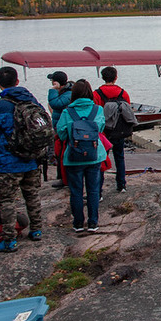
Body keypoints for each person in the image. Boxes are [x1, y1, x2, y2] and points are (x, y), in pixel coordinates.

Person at [0, 66, 44, 253]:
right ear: (18, 81)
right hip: (31, 159)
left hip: (7, 162)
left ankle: (9, 240)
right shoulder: (32, 101)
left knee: (7, 201)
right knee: (32, 196)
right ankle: (37, 230)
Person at [56, 79, 106, 233]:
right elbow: (101, 128)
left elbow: (62, 133)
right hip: (94, 155)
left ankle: (78, 223)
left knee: (76, 191)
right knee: (93, 190)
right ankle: (93, 223)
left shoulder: (66, 112)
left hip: (74, 156)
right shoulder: (97, 110)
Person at [93, 66, 131, 193]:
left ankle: (99, 190)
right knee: (119, 157)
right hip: (119, 130)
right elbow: (128, 110)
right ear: (116, 77)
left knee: (101, 159)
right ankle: (121, 185)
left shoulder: (96, 94)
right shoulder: (123, 93)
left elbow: (94, 113)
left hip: (103, 132)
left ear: (103, 77)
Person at [47, 71, 73, 187]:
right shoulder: (64, 93)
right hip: (60, 126)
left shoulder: (67, 94)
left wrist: (53, 90)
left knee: (62, 152)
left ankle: (65, 179)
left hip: (63, 128)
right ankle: (62, 177)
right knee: (59, 152)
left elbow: (55, 104)